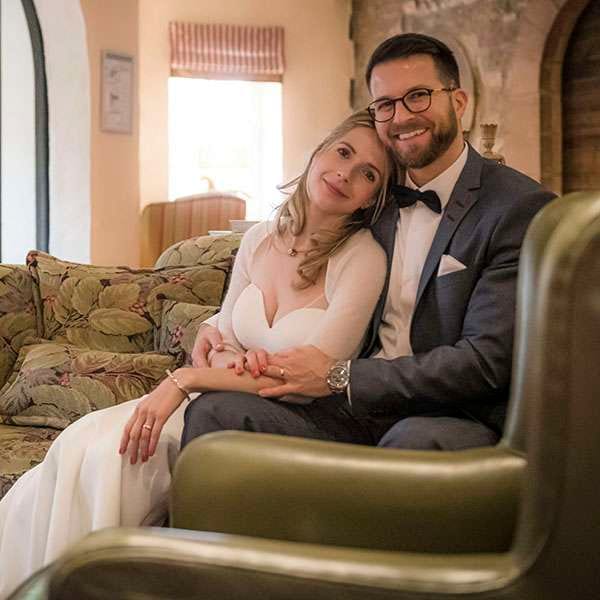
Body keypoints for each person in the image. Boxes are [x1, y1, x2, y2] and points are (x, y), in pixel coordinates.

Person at [0, 109, 397, 599]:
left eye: (367, 174)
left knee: (114, 459)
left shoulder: (363, 259)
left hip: (283, 416)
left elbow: (309, 375)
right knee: (79, 441)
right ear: (318, 153)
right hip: (222, 394)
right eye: (343, 152)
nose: (345, 174)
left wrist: (184, 379)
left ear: (372, 198)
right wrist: (225, 354)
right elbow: (226, 330)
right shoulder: (261, 239)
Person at [185, 33, 556, 451]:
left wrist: (341, 376)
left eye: (418, 96)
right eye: (386, 104)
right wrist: (214, 325)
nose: (402, 116)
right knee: (215, 413)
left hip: (450, 413)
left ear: (458, 102)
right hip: (353, 409)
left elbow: (486, 361)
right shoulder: (372, 197)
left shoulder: (515, 206)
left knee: (411, 443)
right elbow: (293, 257)